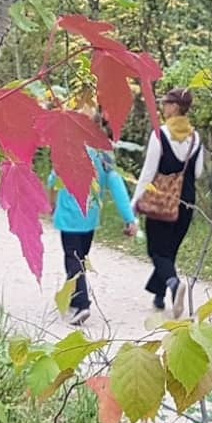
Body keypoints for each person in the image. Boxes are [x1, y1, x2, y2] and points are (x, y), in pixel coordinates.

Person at [49, 116, 137, 326]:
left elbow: (53, 180)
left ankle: (82, 304)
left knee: (72, 258)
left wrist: (51, 203)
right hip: (90, 218)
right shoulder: (104, 157)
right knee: (81, 257)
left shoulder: (68, 150)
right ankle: (73, 295)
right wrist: (129, 219)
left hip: (69, 217)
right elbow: (117, 186)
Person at [131, 87, 205, 318]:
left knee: (157, 251)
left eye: (166, 103)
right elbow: (199, 172)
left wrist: (135, 201)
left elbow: (148, 172)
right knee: (169, 249)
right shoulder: (196, 137)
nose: (163, 107)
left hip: (162, 201)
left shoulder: (159, 134)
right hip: (187, 201)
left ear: (175, 107)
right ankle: (159, 295)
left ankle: (173, 284)